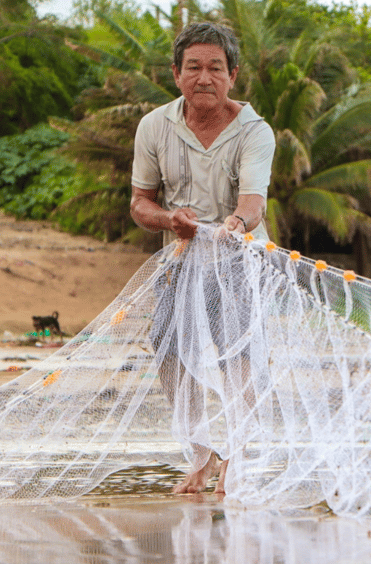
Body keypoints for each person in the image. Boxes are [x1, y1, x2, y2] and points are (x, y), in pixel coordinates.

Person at [130, 22, 275, 495]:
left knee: (238, 356)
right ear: (176, 74)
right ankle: (199, 452)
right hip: (178, 258)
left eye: (216, 67)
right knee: (170, 352)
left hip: (238, 259)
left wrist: (231, 227)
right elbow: (140, 204)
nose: (204, 77)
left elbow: (253, 204)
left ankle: (236, 456)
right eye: (193, 67)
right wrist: (172, 220)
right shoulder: (154, 126)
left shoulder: (255, 131)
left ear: (233, 75)